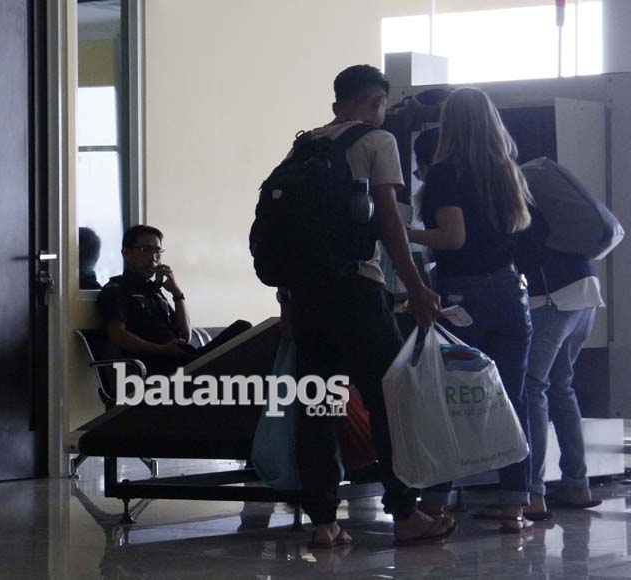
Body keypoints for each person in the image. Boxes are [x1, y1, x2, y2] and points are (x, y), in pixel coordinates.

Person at [279, 64, 446, 548]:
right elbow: (388, 221)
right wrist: (416, 286)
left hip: (307, 296)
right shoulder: (378, 141)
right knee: (390, 400)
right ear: (377, 102)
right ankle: (405, 513)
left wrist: (287, 301)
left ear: (337, 102)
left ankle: (323, 522)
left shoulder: (304, 146)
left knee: (319, 406)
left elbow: (286, 232)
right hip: (357, 291)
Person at [407, 87, 535, 532]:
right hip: (510, 291)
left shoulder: (446, 173)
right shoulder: (507, 171)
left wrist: (403, 233)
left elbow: (453, 238)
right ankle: (515, 504)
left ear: (450, 124)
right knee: (512, 397)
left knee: (450, 397)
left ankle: (436, 501)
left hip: (464, 295)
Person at [515, 207, 604, 515]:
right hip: (586, 289)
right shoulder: (546, 196)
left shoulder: (512, 196)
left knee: (533, 386)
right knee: (560, 386)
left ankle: (533, 493)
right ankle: (577, 485)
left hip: (553, 297)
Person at [97, 225, 251, 377]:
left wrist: (176, 293)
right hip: (160, 369)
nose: (153, 258)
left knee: (244, 329)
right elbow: (117, 335)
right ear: (126, 253)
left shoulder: (154, 292)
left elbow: (185, 336)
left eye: (157, 251)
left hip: (184, 361)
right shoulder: (116, 289)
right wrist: (162, 350)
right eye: (145, 250)